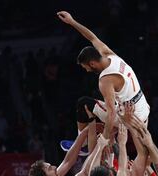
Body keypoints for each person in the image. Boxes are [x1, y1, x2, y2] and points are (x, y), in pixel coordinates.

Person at [57, 11, 150, 139]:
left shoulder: (105, 80)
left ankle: (82, 143)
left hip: (132, 118)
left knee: (83, 103)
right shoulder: (109, 54)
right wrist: (72, 22)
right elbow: (92, 38)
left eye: (86, 68)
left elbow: (111, 114)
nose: (87, 71)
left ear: (92, 63)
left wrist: (104, 139)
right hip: (143, 108)